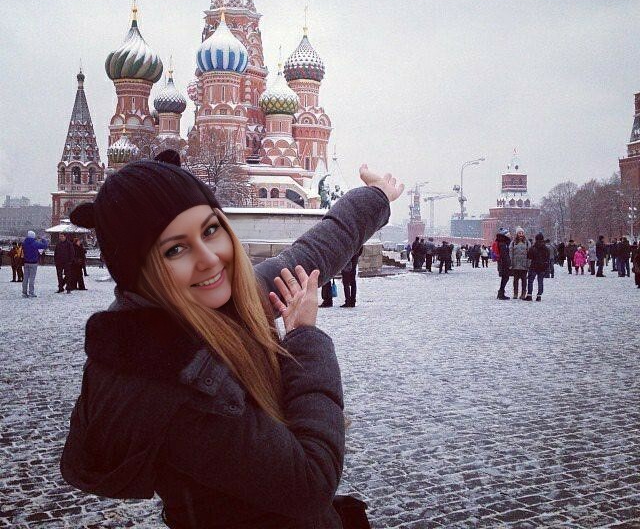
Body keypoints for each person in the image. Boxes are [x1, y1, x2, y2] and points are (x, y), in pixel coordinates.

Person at [60, 154, 403, 528]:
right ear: (139, 271)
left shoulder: (209, 302)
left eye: (210, 230)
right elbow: (310, 483)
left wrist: (375, 195)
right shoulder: (170, 383)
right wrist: (304, 338)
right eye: (175, 249)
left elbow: (312, 253)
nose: (210, 259)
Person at [21, 230, 48, 298]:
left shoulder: (24, 243)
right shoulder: (34, 243)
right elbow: (45, 246)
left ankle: (24, 292)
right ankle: (31, 292)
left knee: (25, 278)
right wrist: (43, 239)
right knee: (32, 278)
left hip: (26, 262)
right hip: (33, 263)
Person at [525, 233, 550, 301]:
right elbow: (547, 258)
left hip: (534, 266)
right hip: (542, 267)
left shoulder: (533, 248)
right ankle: (539, 296)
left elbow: (529, 256)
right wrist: (546, 267)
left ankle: (529, 295)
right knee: (540, 281)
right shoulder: (546, 248)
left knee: (530, 281)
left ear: (535, 239)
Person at [509, 228, 529, 300]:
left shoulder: (527, 242)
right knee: (515, 280)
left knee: (524, 280)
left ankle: (523, 293)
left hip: (524, 264)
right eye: (519, 233)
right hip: (515, 264)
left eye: (522, 233)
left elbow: (529, 253)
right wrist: (511, 263)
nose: (521, 234)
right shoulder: (513, 242)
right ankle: (515, 293)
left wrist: (528, 263)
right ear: (517, 234)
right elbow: (510, 253)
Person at [494, 228, 511, 300]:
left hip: (502, 262)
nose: (510, 235)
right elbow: (504, 255)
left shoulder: (502, 242)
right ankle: (501, 293)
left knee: (505, 277)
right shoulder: (503, 243)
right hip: (504, 263)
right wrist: (508, 263)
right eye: (508, 234)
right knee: (505, 277)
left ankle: (501, 292)